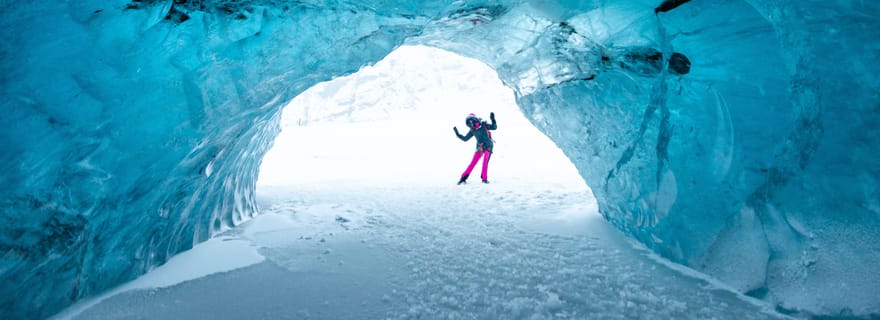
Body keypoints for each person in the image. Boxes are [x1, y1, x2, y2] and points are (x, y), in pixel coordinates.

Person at [454, 112, 497, 184]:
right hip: (479, 147)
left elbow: (494, 127)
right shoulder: (472, 130)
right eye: (469, 122)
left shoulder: (483, 124)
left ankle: (484, 179)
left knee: (485, 162)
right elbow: (465, 139)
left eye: (471, 121)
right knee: (473, 162)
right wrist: (458, 134)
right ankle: (463, 178)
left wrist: (493, 119)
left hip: (488, 146)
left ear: (475, 119)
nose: (471, 123)